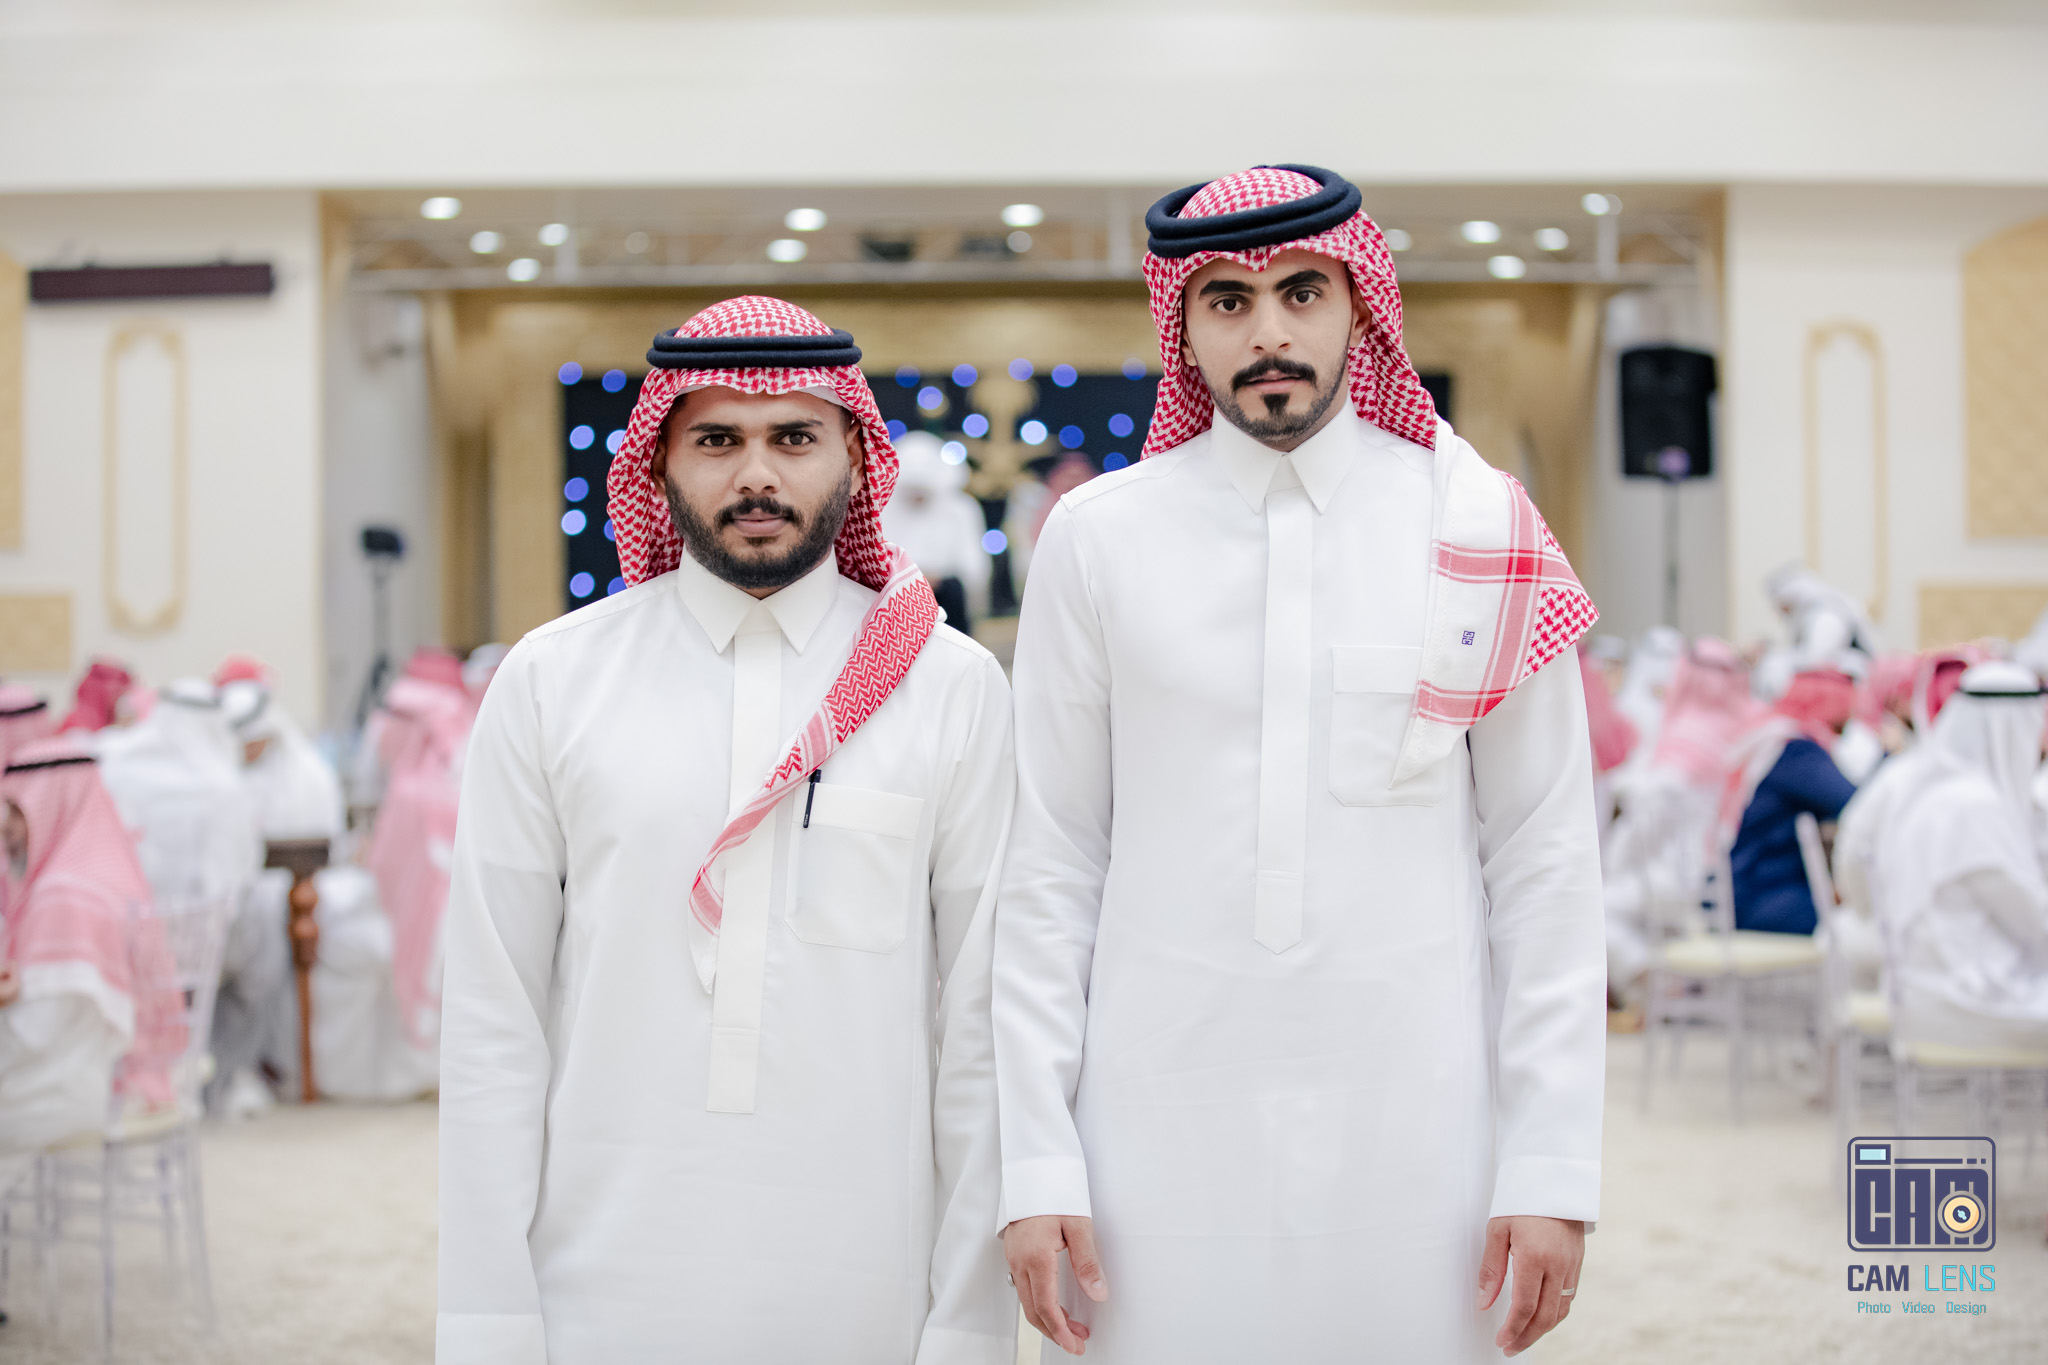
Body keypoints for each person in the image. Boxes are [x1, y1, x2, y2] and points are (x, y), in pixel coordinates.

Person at [993, 166, 1604, 1363]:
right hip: (1150, 1123)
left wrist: (1548, 1159)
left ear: (1358, 305)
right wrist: (1036, 1157)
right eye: (1226, 300)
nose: (1266, 331)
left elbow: (1543, 860)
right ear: (1181, 325)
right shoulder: (1096, 538)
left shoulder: (1476, 525)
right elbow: (1050, 861)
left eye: (1300, 293)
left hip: (1421, 1123)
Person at [436, 297, 1015, 1364]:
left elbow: (980, 1025)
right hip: (596, 1285)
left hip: (869, 1287)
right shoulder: (554, 681)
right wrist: (487, 1321)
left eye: (793, 438)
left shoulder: (948, 688)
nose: (756, 475)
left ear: (856, 455)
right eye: (716, 441)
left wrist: (968, 1323)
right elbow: (490, 1019)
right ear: (659, 462)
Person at [0, 737, 186, 1193]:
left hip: (74, 1088)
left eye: (17, 811)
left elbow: (36, 1034)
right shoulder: (104, 865)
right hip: (113, 1072)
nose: (7, 829)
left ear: (51, 804)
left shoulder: (64, 893)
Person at [1872, 662, 2048, 1052]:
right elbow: (2035, 923)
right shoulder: (1975, 809)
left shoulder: (1935, 788)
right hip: (1958, 1000)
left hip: (1920, 988)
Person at [1725, 668, 1858, 935]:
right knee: (1863, 924)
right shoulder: (1797, 752)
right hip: (1764, 895)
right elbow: (1857, 804)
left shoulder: (1773, 739)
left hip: (1738, 890)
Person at [882, 429, 990, 631]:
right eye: (910, 489)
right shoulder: (883, 510)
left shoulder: (961, 509)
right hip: (894, 602)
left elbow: (974, 567)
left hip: (948, 604)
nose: (916, 496)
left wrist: (936, 580)